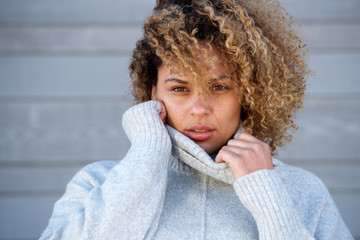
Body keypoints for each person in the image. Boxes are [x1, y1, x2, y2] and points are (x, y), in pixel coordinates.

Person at [40, 0, 354, 239]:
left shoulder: (302, 191)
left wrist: (265, 192)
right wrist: (148, 154)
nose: (199, 108)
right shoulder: (97, 183)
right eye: (179, 88)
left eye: (219, 87)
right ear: (153, 93)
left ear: (248, 92)